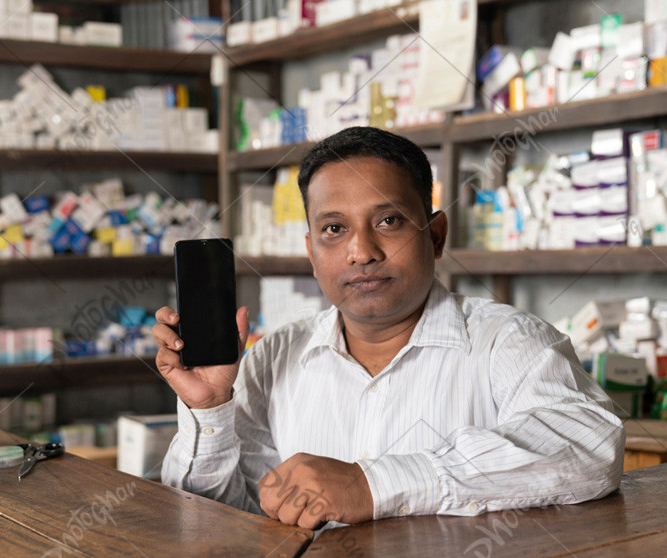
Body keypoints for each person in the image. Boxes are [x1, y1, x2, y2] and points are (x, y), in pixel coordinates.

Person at [153, 126, 624, 530]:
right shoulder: (275, 357)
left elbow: (590, 446)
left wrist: (373, 485)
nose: (362, 251)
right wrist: (210, 410)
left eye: (389, 220)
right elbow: (215, 520)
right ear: (312, 255)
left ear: (435, 236)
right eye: (334, 230)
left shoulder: (507, 340)